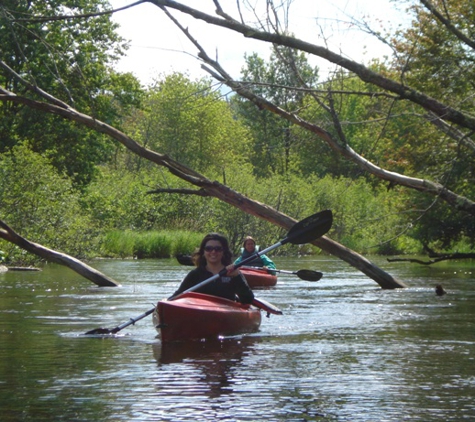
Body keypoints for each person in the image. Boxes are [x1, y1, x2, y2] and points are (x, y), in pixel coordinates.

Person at [170, 233, 254, 304]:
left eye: (218, 249)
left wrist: (237, 277)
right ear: (203, 252)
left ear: (223, 251)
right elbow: (177, 296)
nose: (213, 252)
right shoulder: (195, 274)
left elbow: (248, 300)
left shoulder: (233, 273)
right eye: (208, 249)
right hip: (200, 315)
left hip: (226, 317)